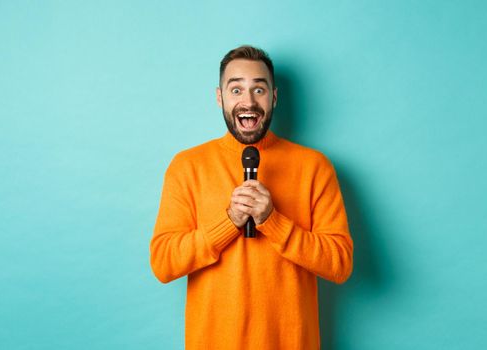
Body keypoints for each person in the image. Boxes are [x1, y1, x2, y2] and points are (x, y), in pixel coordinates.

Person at [150, 45, 353, 350]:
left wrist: (273, 222)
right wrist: (229, 221)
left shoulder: (314, 167)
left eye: (259, 89)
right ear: (220, 97)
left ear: (274, 97)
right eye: (236, 89)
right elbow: (164, 263)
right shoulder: (187, 166)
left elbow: (339, 264)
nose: (248, 101)